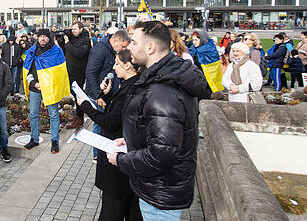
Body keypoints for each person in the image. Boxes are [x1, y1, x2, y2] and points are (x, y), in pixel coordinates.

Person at [110, 21, 210, 220]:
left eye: (134, 42)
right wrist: (132, 140)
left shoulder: (162, 90)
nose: (128, 47)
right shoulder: (167, 77)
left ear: (150, 47)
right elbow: (160, 131)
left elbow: (162, 153)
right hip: (161, 189)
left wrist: (121, 160)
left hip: (161, 194)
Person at [76, 49, 143, 221]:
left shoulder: (131, 89)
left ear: (128, 66)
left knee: (113, 210)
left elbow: (110, 121)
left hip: (118, 156)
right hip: (124, 154)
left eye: (117, 64)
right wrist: (108, 95)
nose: (113, 67)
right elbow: (117, 111)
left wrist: (86, 106)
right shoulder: (129, 85)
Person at [84, 29, 131, 159]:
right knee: (99, 125)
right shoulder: (100, 50)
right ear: (115, 40)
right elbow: (90, 73)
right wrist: (98, 95)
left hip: (109, 93)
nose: (123, 50)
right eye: (123, 46)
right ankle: (97, 156)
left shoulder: (113, 50)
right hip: (99, 95)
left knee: (106, 124)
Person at [23, 28, 71, 154]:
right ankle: (34, 138)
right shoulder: (32, 52)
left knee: (53, 114)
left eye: (45, 36)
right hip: (35, 88)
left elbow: (60, 72)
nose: (42, 39)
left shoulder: (56, 51)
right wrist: (34, 83)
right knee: (33, 114)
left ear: (49, 37)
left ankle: (54, 141)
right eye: (40, 36)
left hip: (51, 88)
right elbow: (27, 70)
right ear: (37, 38)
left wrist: (47, 84)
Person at [63, 21, 92, 129]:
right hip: (70, 71)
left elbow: (79, 53)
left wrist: (67, 44)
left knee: (78, 94)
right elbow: (67, 32)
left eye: (75, 29)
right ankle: (78, 115)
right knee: (74, 94)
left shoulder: (85, 40)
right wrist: (68, 32)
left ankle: (80, 118)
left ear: (81, 29)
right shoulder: (74, 37)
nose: (72, 31)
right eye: (72, 29)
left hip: (79, 72)